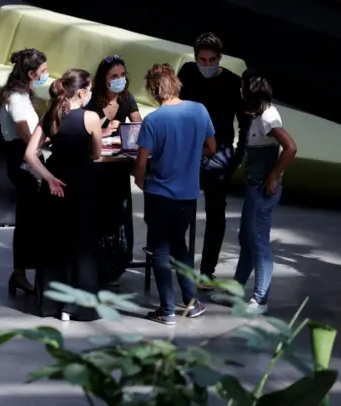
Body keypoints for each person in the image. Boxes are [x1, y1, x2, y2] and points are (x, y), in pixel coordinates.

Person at [134, 63, 216, 325]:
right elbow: (211, 147)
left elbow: (142, 161)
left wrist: (140, 178)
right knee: (179, 245)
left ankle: (167, 309)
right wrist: (191, 156)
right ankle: (191, 303)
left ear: (154, 90)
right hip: (188, 195)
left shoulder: (153, 121)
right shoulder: (199, 110)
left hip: (159, 193)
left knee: (159, 247)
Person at [211, 70, 297, 313]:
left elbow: (290, 148)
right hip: (253, 185)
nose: (241, 88)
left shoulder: (269, 116)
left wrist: (273, 175)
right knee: (247, 240)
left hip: (263, 188)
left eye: (243, 84)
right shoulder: (256, 113)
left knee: (259, 243)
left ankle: (260, 299)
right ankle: (236, 291)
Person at [24, 69, 104, 321]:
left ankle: (53, 304)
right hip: (81, 184)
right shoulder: (91, 117)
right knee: (80, 244)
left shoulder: (51, 115)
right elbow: (95, 154)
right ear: (82, 92)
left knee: (54, 241)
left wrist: (47, 177)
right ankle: (77, 305)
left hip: (55, 184)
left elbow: (29, 154)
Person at [177, 33, 251, 288]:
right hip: (187, 149)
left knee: (215, 214)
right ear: (195, 57)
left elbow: (245, 121)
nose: (206, 64)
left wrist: (237, 155)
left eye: (212, 60)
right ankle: (180, 266)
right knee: (178, 209)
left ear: (220, 58)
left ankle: (207, 271)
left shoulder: (232, 82)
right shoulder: (187, 72)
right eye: (202, 59)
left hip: (219, 153)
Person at [0, 48, 49, 296]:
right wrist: (44, 142)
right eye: (43, 71)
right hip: (22, 162)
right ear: (30, 72)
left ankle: (23, 272)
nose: (46, 75)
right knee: (28, 219)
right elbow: (26, 132)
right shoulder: (16, 98)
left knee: (31, 219)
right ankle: (21, 273)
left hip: (26, 159)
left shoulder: (24, 95)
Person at [87, 55, 143, 286]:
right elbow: (86, 128)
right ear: (104, 79)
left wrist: (129, 127)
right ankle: (96, 264)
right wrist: (105, 127)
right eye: (114, 76)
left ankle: (116, 265)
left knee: (118, 216)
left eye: (122, 75)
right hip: (97, 166)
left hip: (118, 167)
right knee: (98, 216)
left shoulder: (127, 98)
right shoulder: (92, 100)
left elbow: (139, 125)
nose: (119, 80)